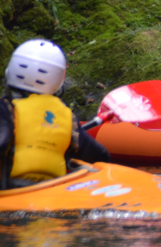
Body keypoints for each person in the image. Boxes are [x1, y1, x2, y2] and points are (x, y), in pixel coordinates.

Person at [0, 39, 110, 189]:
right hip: (52, 191)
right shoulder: (65, 116)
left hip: (11, 192)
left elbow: (2, 141)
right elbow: (101, 155)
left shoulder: (5, 108)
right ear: (58, 80)